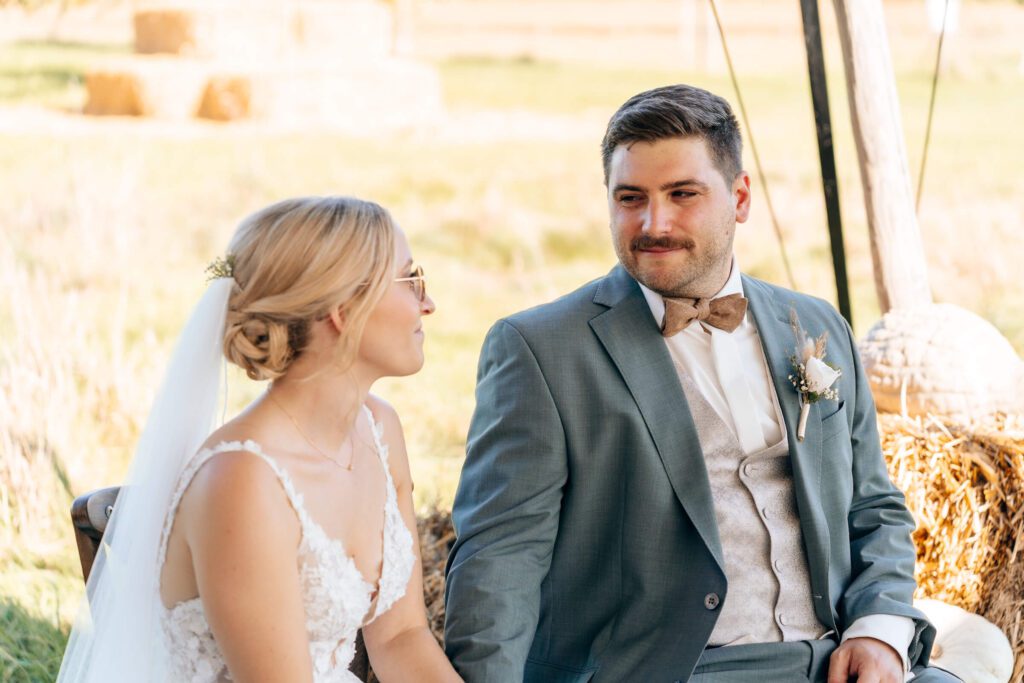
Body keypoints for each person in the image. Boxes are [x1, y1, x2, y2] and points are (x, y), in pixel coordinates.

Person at [444, 85, 958, 682]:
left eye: (681, 195)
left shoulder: (817, 325)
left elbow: (873, 507)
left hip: (837, 660)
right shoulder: (540, 348)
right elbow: (498, 557)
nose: (652, 223)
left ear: (739, 198)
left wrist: (880, 633)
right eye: (629, 197)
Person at [59, 196, 462, 682]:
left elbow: (401, 639)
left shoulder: (379, 431)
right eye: (410, 278)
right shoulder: (242, 480)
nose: (428, 302)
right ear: (343, 309)